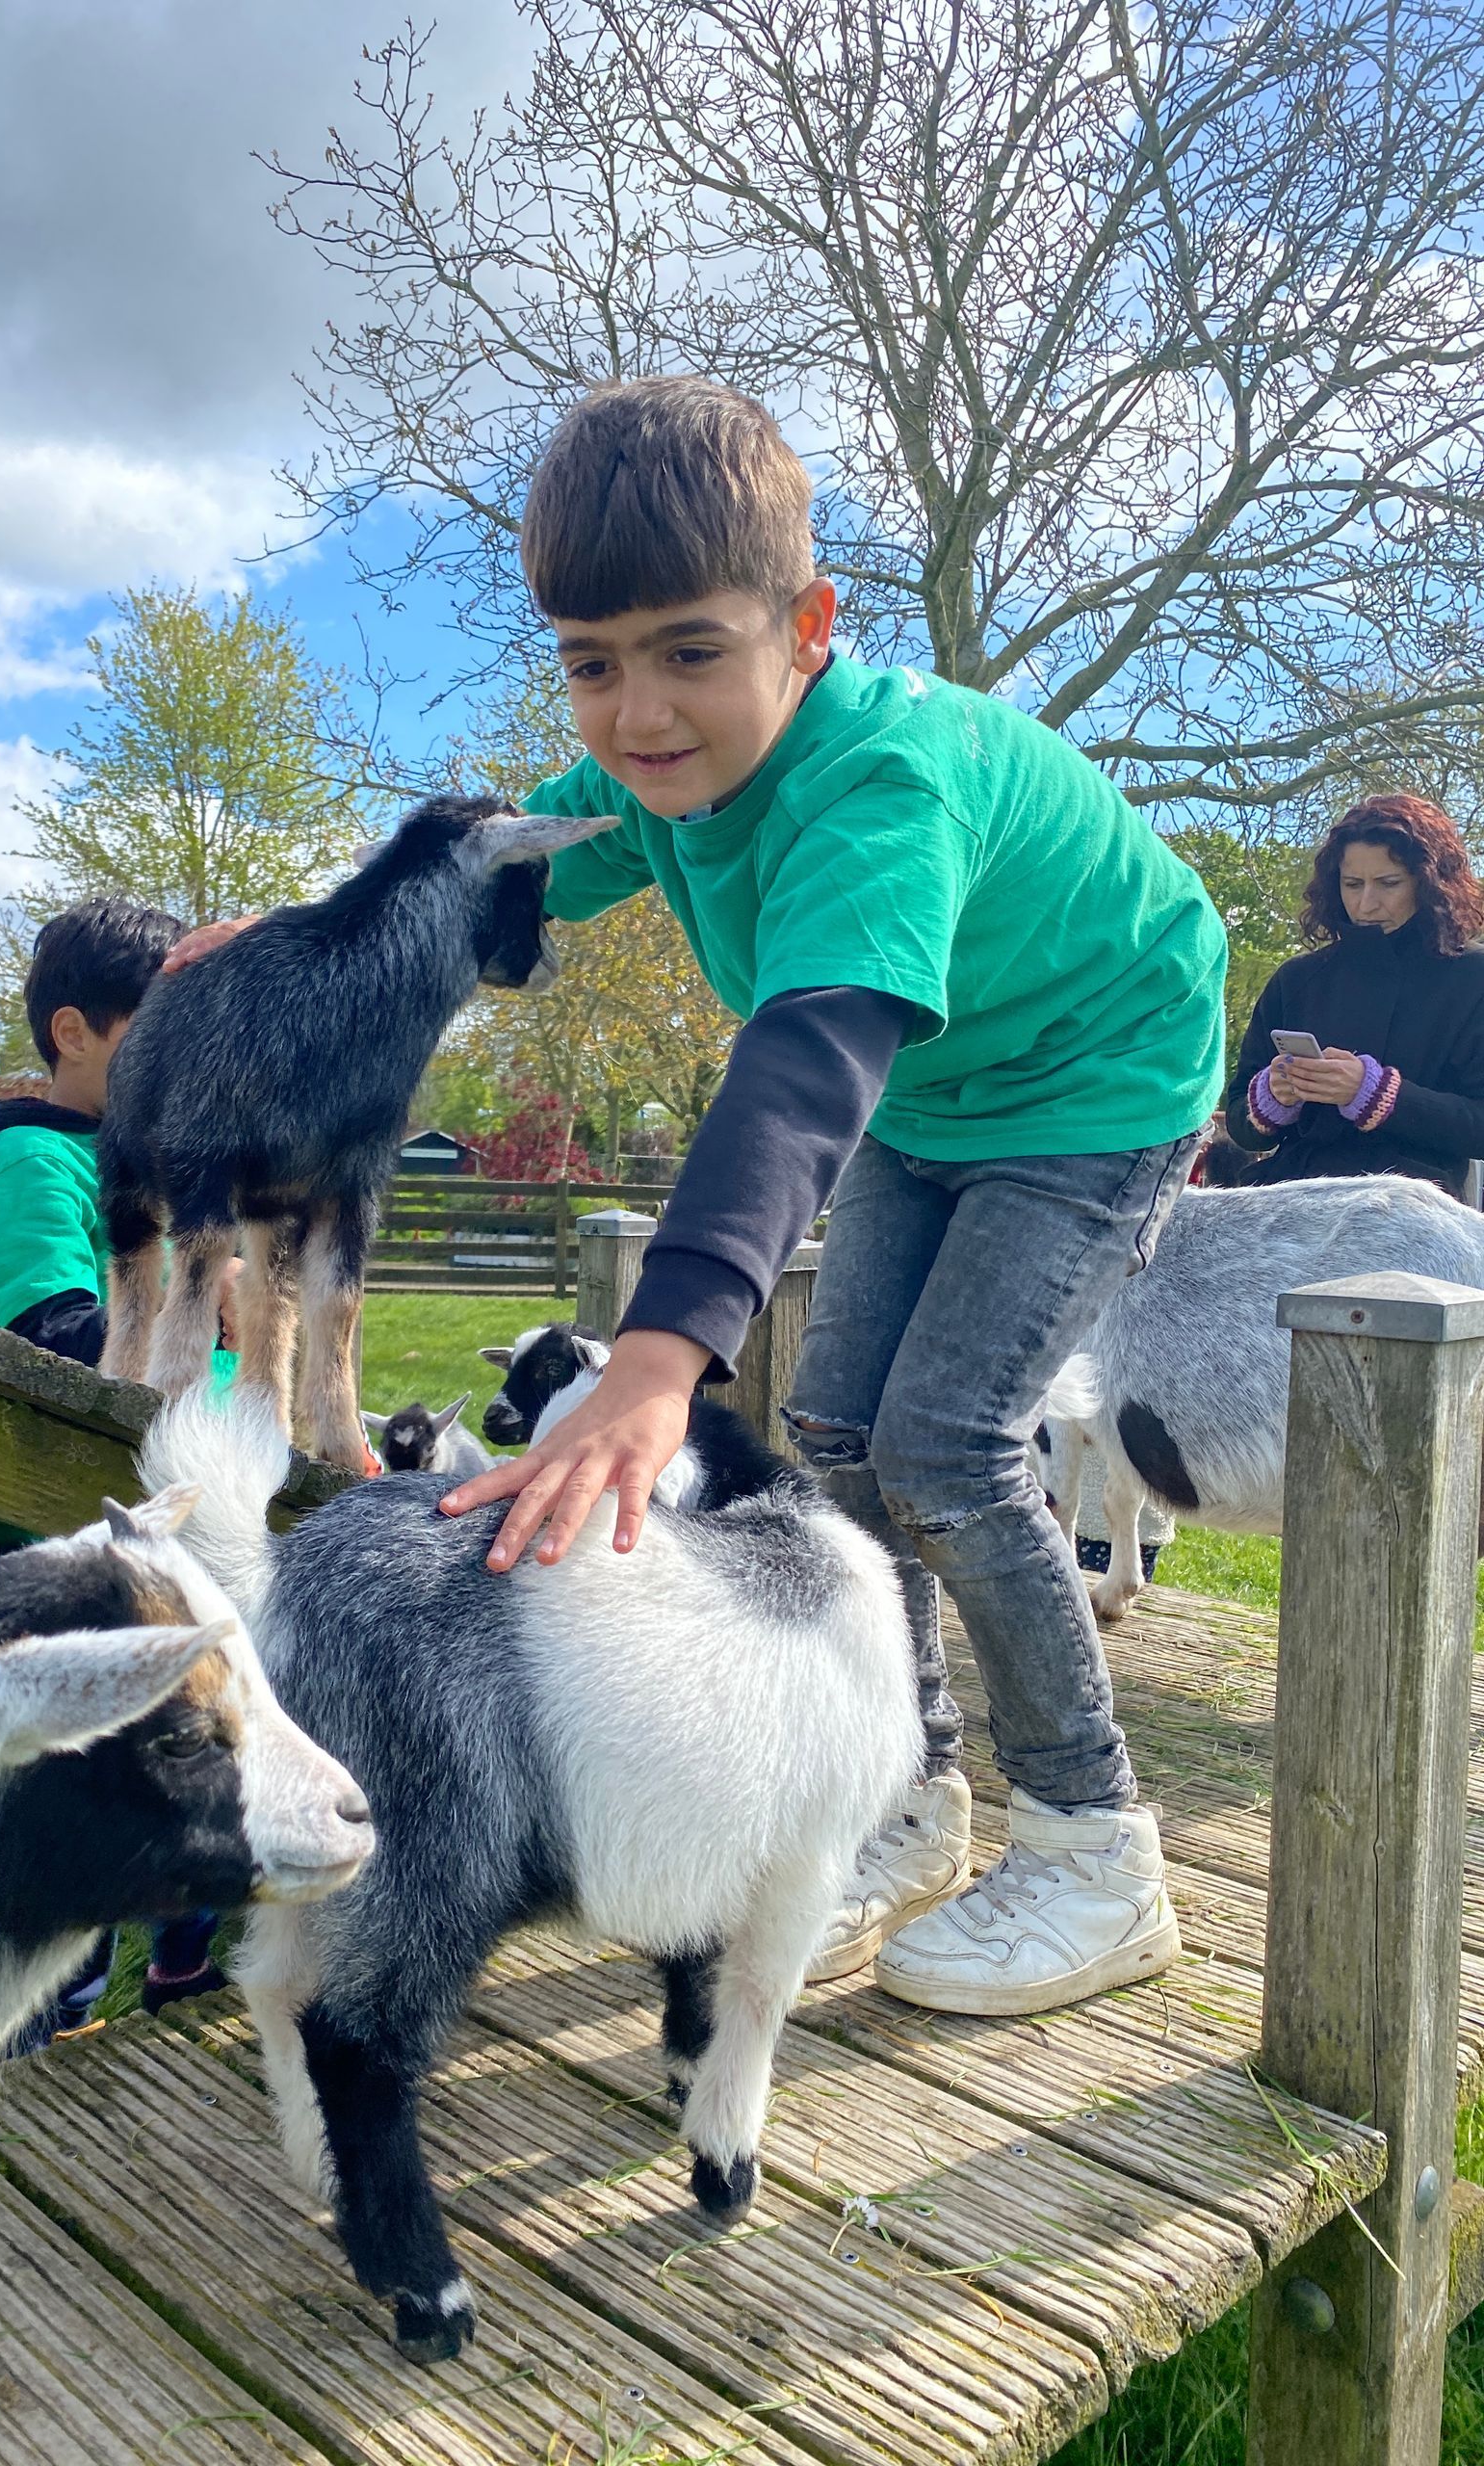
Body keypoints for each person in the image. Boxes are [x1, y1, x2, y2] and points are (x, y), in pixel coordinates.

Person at [429, 377, 1229, 2017]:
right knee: (850, 1435)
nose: (641, 711)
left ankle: (1094, 1848)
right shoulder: (673, 790)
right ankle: (903, 1796)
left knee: (947, 1443)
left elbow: (800, 1071)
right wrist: (273, 957)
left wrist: (658, 1363)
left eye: (691, 652)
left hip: (1101, 1078)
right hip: (937, 1097)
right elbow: (488, 867)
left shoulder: (880, 791)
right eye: (595, 662)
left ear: (809, 623)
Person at [0, 897, 234, 2036]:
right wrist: (238, 1380)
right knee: (77, 1768)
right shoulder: (24, 1165)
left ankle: (185, 1953)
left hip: (147, 1515)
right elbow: (62, 1346)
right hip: (44, 1532)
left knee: (184, 1737)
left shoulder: (126, 1158)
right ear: (73, 1032)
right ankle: (60, 2004)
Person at [1224, 793, 1484, 1197]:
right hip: (1290, 1199)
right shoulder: (1296, 979)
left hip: (1417, 1210)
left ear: (1430, 883)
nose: (1366, 903)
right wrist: (1270, 1098)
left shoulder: (1473, 976)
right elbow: (1242, 1126)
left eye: (1388, 883)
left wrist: (1377, 1094)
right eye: (1352, 884)